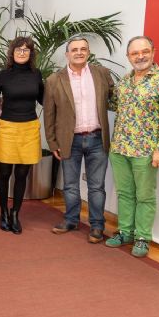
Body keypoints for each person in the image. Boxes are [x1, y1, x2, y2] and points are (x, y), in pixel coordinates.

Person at [105, 36, 159, 257]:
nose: (140, 56)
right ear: (128, 57)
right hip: (120, 148)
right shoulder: (124, 82)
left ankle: (142, 237)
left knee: (145, 196)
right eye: (135, 53)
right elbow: (114, 107)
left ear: (153, 52)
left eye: (144, 51)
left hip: (146, 151)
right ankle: (125, 232)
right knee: (125, 193)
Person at [44, 36, 115, 243]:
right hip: (69, 140)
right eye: (74, 49)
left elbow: (114, 99)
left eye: (83, 49)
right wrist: (53, 142)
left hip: (97, 139)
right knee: (71, 185)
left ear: (88, 52)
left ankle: (97, 226)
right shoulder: (54, 80)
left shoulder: (102, 74)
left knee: (96, 186)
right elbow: (49, 114)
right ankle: (71, 219)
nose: (79, 52)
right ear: (67, 54)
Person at [0, 36, 44, 234]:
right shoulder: (2, 75)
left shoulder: (37, 75)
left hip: (30, 128)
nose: (22, 52)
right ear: (12, 52)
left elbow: (45, 100)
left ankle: (15, 213)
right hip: (8, 127)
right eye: (18, 49)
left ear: (31, 53)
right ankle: (3, 212)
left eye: (26, 50)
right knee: (4, 173)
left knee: (22, 174)